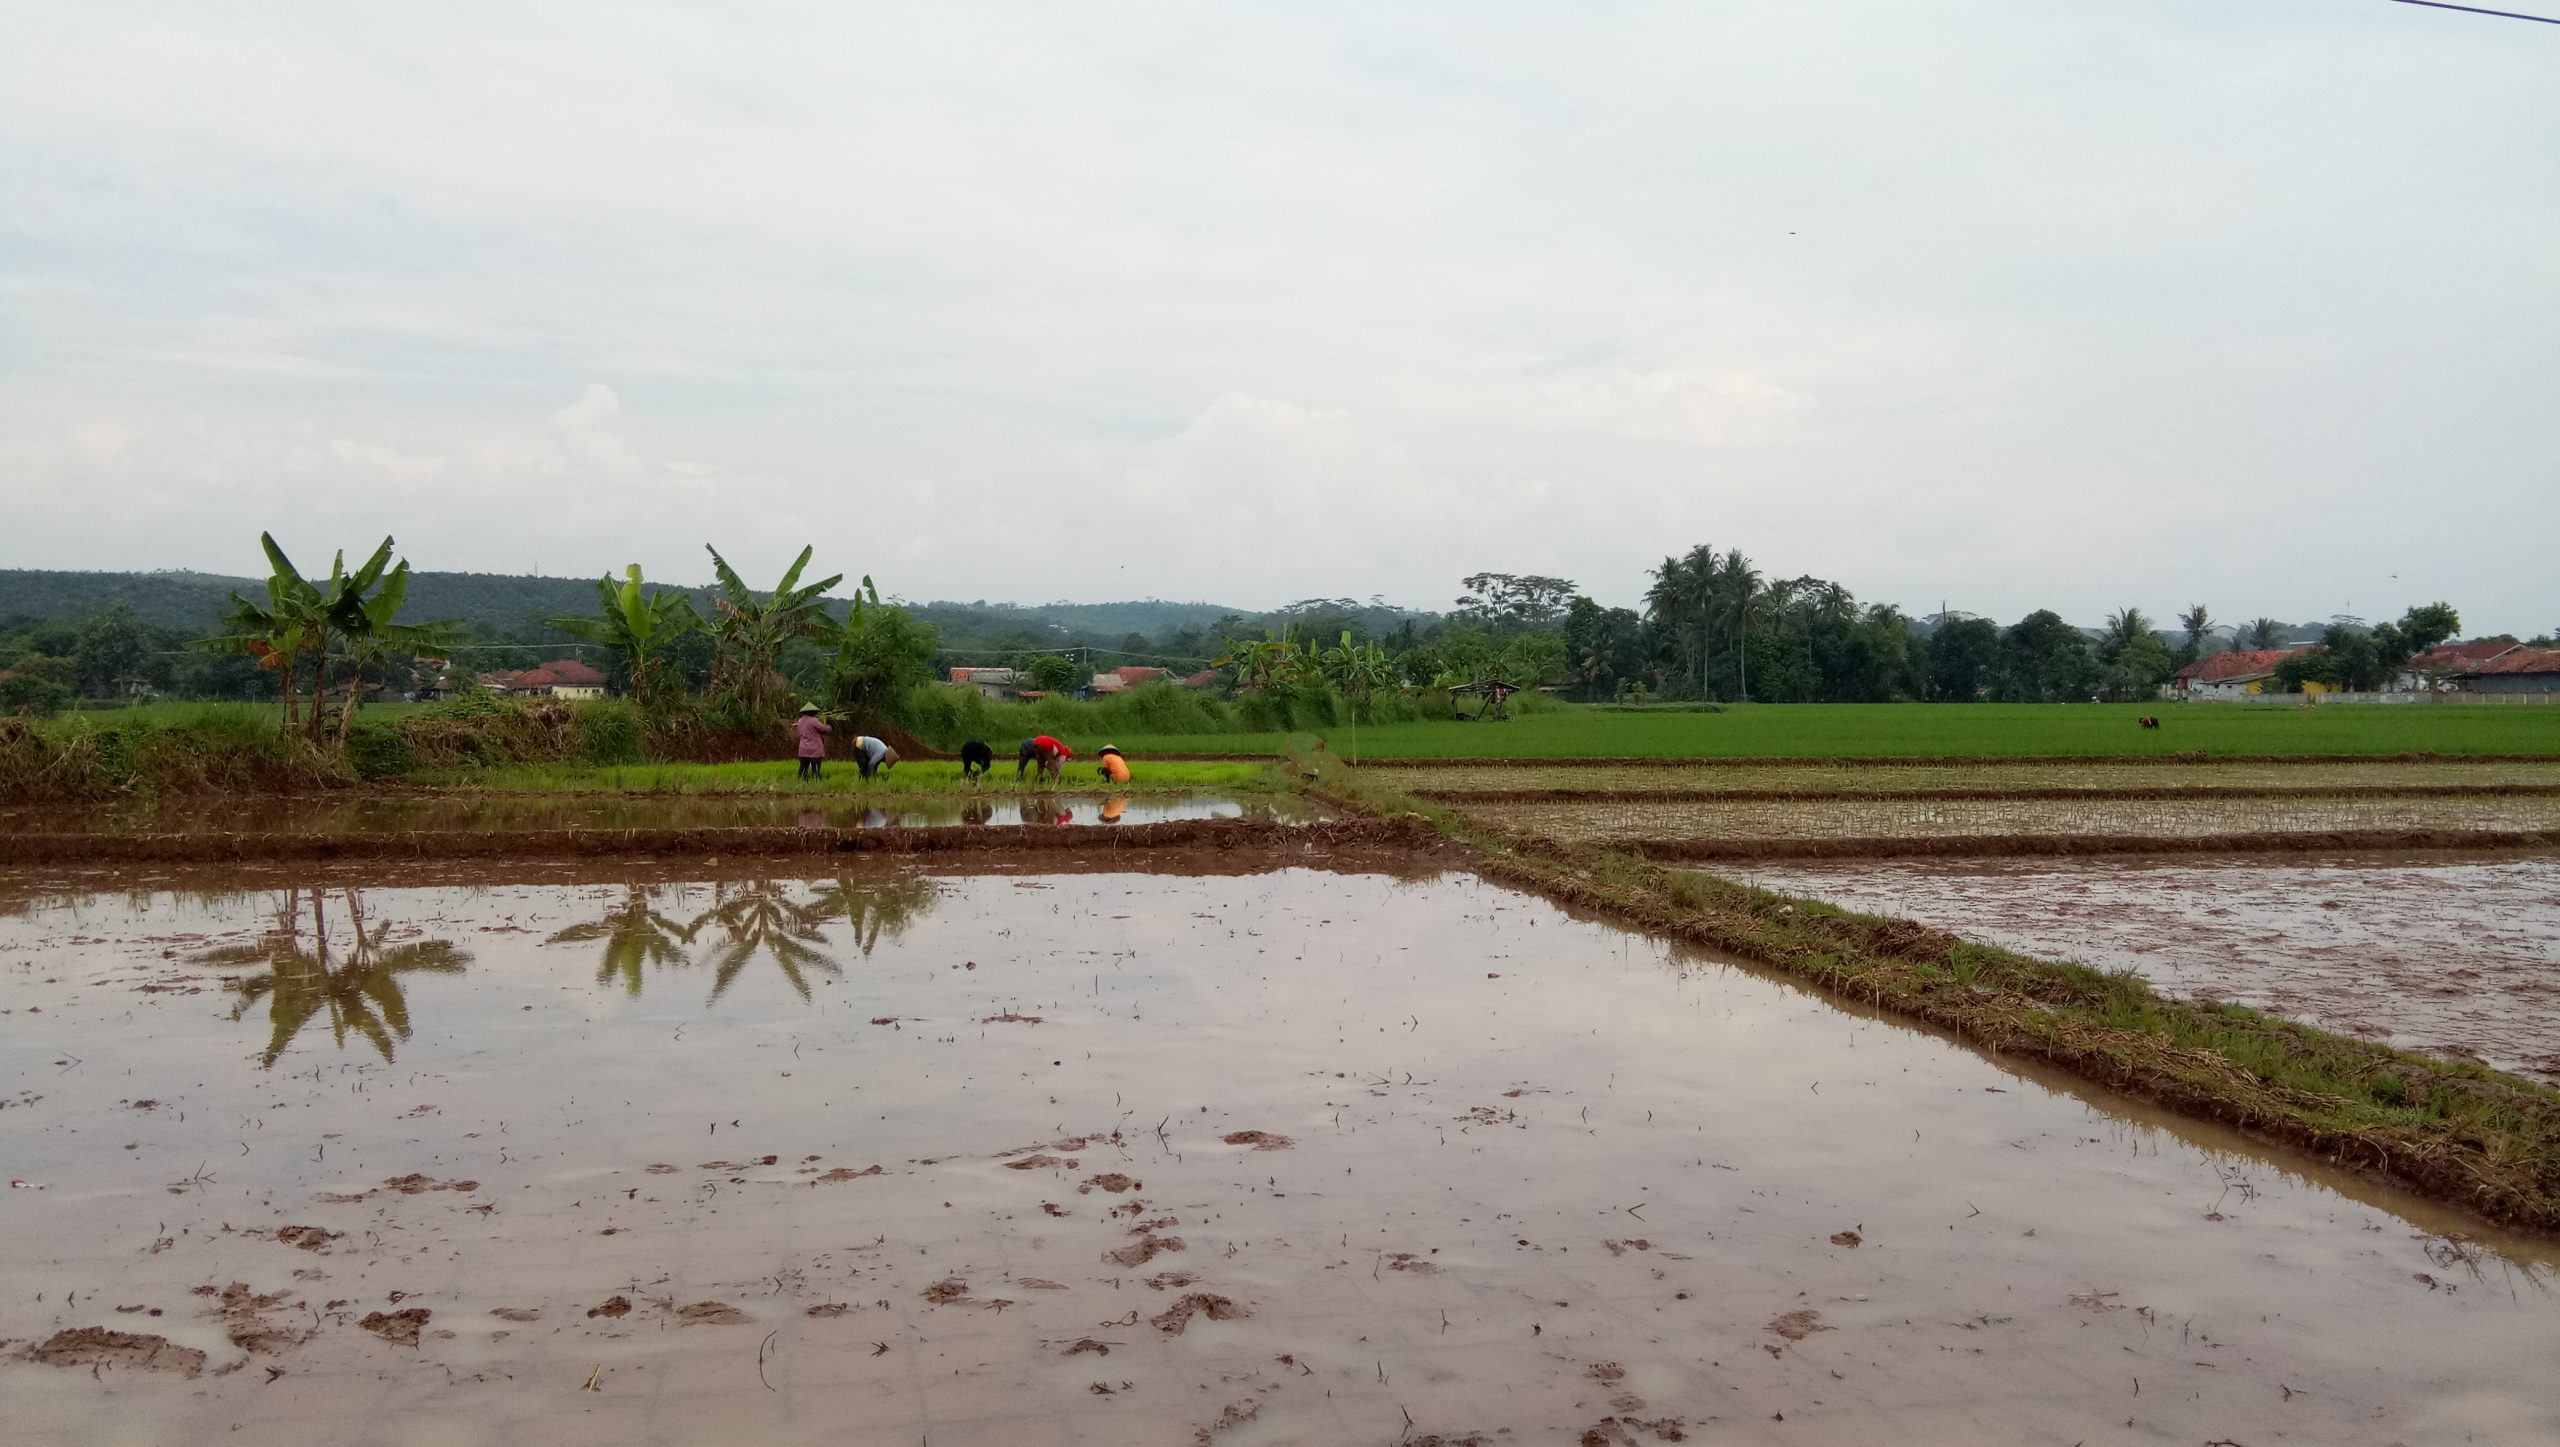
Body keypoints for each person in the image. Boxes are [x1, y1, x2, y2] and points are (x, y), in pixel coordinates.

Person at [793, 704, 831, 780]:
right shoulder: (814, 721)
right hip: (814, 749)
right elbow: (824, 729)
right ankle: (815, 780)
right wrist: (829, 727)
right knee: (815, 769)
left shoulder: (800, 721)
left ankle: (802, 781)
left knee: (803, 768)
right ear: (813, 712)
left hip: (803, 749)